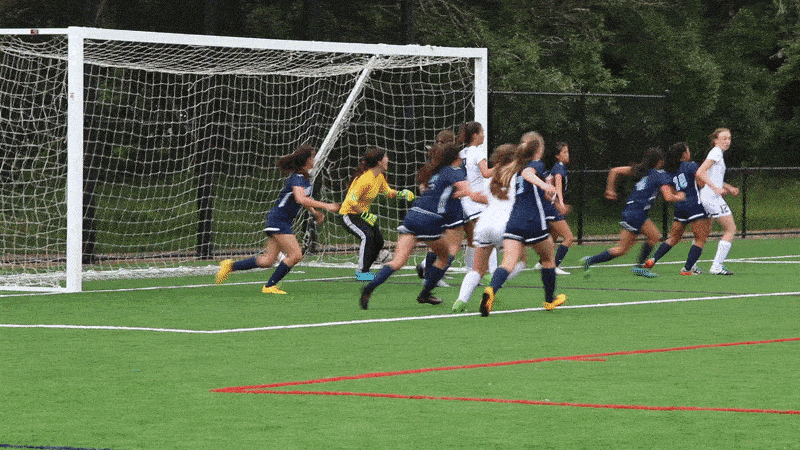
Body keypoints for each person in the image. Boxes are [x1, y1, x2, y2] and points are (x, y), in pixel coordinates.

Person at [359, 141, 484, 310]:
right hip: (429, 220)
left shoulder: (436, 174)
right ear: (456, 158)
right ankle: (425, 293)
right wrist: (488, 199)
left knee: (397, 261)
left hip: (413, 214)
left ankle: (369, 287)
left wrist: (457, 194)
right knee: (445, 255)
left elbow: (444, 192)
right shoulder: (452, 171)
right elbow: (469, 191)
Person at [215, 145, 340, 293]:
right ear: (306, 160)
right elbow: (300, 198)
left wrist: (314, 212)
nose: (315, 159)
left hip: (279, 221)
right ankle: (269, 286)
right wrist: (327, 206)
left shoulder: (305, 179)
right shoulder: (297, 177)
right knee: (296, 255)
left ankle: (230, 266)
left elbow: (303, 200)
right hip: (279, 220)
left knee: (267, 260)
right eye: (312, 157)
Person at [479, 132, 566, 317]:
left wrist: (546, 192)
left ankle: (491, 290)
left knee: (508, 262)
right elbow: (529, 174)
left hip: (514, 220)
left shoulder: (517, 167)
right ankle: (549, 300)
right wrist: (544, 186)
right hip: (533, 220)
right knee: (548, 259)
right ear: (539, 149)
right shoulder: (534, 165)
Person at [580, 148, 685, 278]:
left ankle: (591, 260)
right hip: (637, 213)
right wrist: (680, 197)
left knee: (626, 247)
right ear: (659, 162)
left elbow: (614, 171)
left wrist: (610, 189)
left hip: (632, 211)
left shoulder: (640, 170)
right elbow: (668, 197)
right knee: (648, 238)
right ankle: (637, 267)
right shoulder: (658, 175)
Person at [452, 144, 526, 313]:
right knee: (520, 259)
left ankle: (460, 301)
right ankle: (492, 286)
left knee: (478, 269)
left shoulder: (491, 176)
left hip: (484, 222)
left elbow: (485, 199)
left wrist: (469, 194)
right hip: (506, 223)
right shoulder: (516, 173)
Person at [338, 148, 415, 281]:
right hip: (349, 215)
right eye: (385, 157)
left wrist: (402, 193)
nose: (388, 160)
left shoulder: (379, 177)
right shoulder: (365, 179)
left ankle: (371, 262)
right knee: (367, 236)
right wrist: (365, 215)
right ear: (379, 162)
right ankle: (362, 272)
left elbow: (388, 192)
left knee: (378, 241)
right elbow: (351, 200)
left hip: (362, 215)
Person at [644, 142, 712, 275]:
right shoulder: (691, 165)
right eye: (688, 150)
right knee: (700, 239)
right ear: (684, 154)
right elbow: (701, 182)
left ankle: (653, 259)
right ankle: (687, 269)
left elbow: (673, 190)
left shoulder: (669, 171)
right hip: (694, 205)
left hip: (680, 206)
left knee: (673, 238)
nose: (689, 153)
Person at [696, 128, 739, 275]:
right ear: (715, 140)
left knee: (703, 233)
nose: (727, 141)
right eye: (724, 138)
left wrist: (728, 187)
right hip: (711, 197)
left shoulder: (716, 153)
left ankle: (691, 265)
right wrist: (716, 189)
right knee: (731, 229)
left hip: (708, 196)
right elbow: (700, 172)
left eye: (729, 138)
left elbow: (712, 176)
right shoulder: (716, 152)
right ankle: (716, 266)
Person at [456, 121, 497, 275]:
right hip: (476, 201)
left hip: (464, 200)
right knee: (489, 236)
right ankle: (493, 273)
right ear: (475, 135)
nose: (483, 135)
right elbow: (486, 173)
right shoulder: (477, 152)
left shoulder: (461, 153)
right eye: (481, 132)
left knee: (471, 239)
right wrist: (503, 167)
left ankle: (471, 272)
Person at [535, 141, 575, 275]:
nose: (567, 154)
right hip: (552, 207)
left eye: (567, 151)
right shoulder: (559, 168)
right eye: (564, 152)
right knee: (569, 238)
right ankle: (554, 265)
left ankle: (542, 262)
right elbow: (558, 185)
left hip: (549, 205)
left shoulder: (557, 167)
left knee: (554, 235)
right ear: (557, 156)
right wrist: (561, 203)